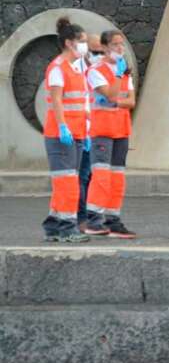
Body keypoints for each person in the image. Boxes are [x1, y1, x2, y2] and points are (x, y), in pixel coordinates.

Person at [42, 17, 91, 243]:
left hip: (77, 133)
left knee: (67, 179)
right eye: (82, 41)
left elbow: (81, 102)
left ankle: (53, 224)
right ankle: (67, 227)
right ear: (70, 43)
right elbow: (57, 101)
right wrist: (62, 126)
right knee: (67, 181)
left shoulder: (74, 68)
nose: (85, 45)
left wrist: (86, 131)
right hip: (61, 134)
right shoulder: (57, 68)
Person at [85, 29, 136, 238]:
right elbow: (112, 95)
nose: (120, 48)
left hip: (121, 130)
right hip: (102, 130)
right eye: (115, 45)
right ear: (105, 47)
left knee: (117, 178)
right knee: (101, 176)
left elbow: (130, 101)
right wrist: (117, 78)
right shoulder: (96, 71)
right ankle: (93, 220)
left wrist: (117, 98)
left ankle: (113, 220)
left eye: (121, 44)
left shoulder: (125, 72)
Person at [76, 33, 106, 235]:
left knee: (96, 176)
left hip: (97, 130)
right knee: (82, 176)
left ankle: (94, 219)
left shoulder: (102, 71)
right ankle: (82, 218)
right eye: (95, 52)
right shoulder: (75, 69)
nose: (98, 55)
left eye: (101, 52)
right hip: (79, 131)